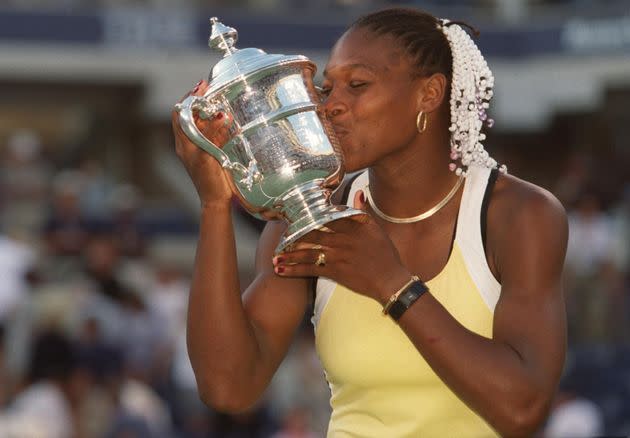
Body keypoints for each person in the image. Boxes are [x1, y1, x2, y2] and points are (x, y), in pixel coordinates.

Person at [172, 8, 567, 437]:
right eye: (326, 89)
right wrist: (214, 205)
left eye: (357, 85)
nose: (331, 106)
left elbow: (524, 409)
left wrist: (392, 284)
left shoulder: (519, 215)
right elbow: (228, 387)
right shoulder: (309, 218)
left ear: (429, 94)